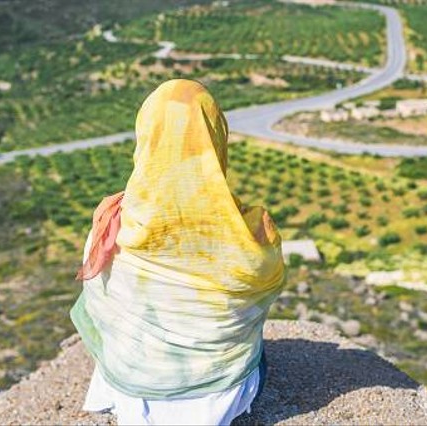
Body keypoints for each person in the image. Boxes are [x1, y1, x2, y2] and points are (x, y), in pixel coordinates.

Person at [69, 79, 286, 425]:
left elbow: (100, 307)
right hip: (218, 400)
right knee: (258, 354)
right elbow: (265, 285)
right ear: (216, 137)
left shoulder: (110, 224)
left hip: (132, 394)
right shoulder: (247, 234)